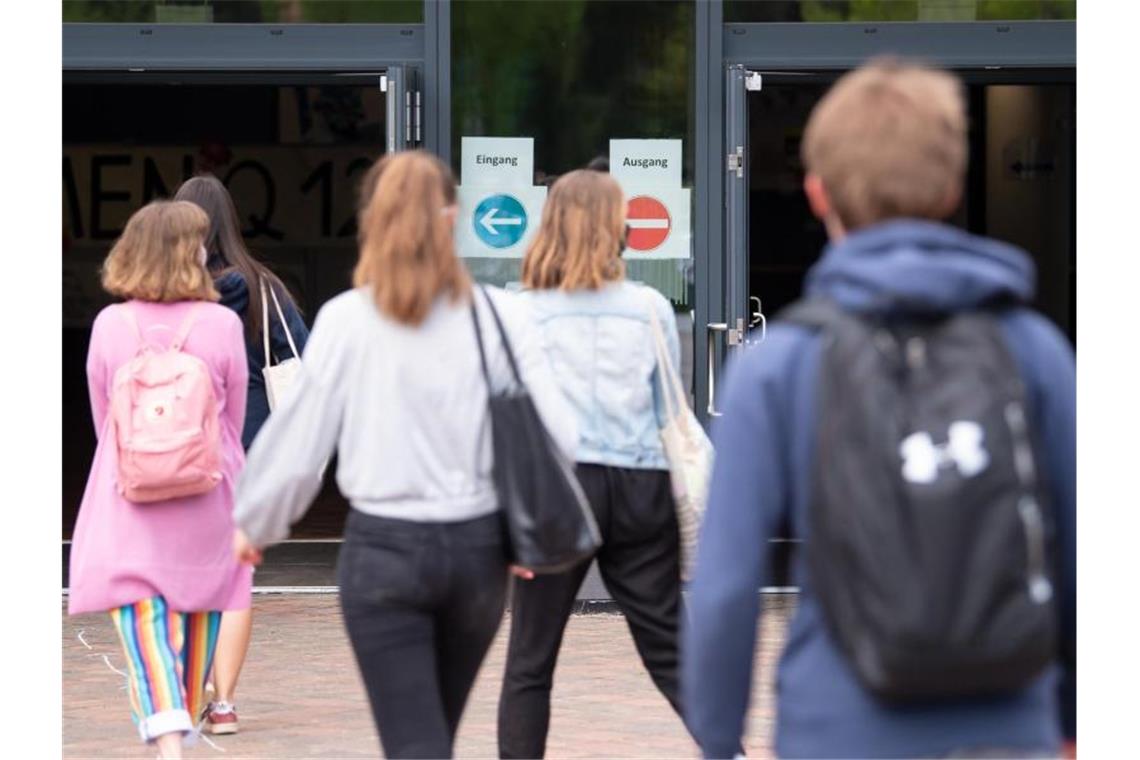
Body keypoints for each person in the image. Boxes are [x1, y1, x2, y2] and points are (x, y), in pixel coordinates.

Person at [682, 59, 1076, 759]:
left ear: (816, 191)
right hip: (1007, 726)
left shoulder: (779, 365)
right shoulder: (1034, 349)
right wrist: (1069, 718)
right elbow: (1082, 549)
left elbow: (725, 585)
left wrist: (717, 740)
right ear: (954, 185)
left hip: (837, 725)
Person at [230, 150, 576, 758]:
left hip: (383, 551)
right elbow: (559, 435)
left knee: (414, 741)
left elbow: (302, 441)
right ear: (453, 220)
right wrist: (528, 528)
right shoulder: (502, 317)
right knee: (432, 731)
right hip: (477, 553)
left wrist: (257, 520)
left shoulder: (347, 320)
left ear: (373, 221)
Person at [498, 169, 689, 758]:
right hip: (641, 484)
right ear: (616, 227)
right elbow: (668, 411)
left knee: (531, 657)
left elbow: (509, 421)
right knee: (672, 645)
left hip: (557, 486)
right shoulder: (651, 307)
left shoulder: (519, 310)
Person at [67, 201, 252, 760]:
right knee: (201, 611)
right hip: (208, 498)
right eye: (198, 243)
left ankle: (166, 733)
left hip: (131, 497)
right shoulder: (221, 324)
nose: (204, 251)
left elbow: (105, 422)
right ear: (184, 253)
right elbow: (234, 419)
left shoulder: (108, 325)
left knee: (140, 609)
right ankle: (174, 731)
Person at [172, 174, 310, 735]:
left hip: (176, 450)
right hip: (249, 448)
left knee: (176, 575)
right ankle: (223, 702)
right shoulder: (265, 288)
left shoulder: (163, 290)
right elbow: (305, 359)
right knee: (233, 579)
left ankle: (182, 692)